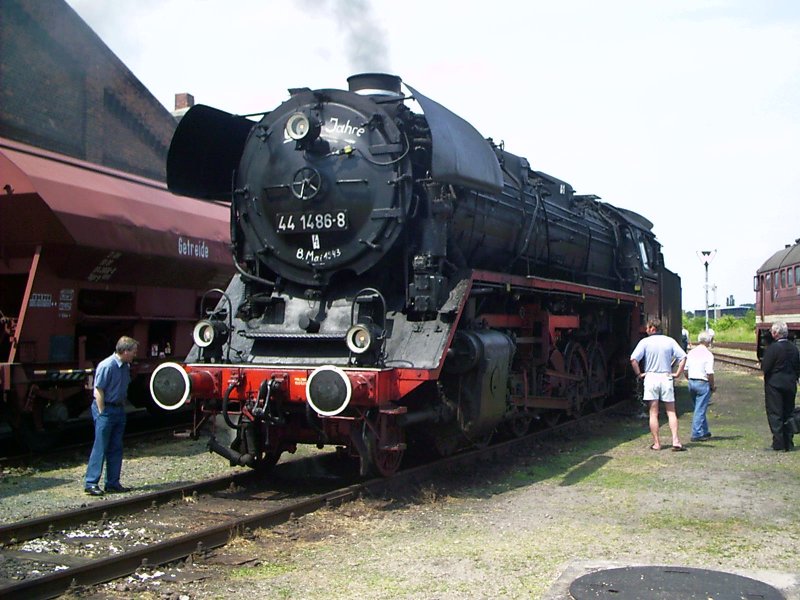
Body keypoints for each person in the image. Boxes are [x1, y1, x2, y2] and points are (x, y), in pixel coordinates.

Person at [84, 336, 138, 495]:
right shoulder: (107, 365)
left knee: (116, 447)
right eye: (134, 352)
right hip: (106, 409)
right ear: (126, 351)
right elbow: (98, 390)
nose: (135, 355)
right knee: (101, 446)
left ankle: (112, 483)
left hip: (118, 409)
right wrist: (102, 413)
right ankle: (91, 483)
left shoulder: (125, 366)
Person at [630, 318, 687, 451]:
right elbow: (683, 357)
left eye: (648, 328)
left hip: (651, 378)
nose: (646, 330)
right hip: (666, 377)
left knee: (653, 413)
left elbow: (633, 359)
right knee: (671, 412)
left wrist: (639, 374)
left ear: (653, 329)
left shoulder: (644, 342)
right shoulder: (669, 341)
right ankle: (676, 441)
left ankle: (657, 443)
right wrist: (678, 373)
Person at [760, 321, 800, 452]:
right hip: (790, 384)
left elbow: (765, 367)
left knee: (775, 413)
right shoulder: (794, 348)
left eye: (772, 331)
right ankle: (789, 442)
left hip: (775, 385)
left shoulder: (773, 348)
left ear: (776, 333)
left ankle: (778, 443)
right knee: (789, 412)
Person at [685, 330, 716, 442]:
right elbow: (709, 373)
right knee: (700, 409)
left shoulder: (691, 353)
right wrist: (712, 386)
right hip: (702, 383)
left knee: (698, 408)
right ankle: (696, 434)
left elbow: (685, 369)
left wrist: (689, 379)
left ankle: (705, 430)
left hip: (691, 382)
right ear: (708, 341)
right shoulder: (708, 354)